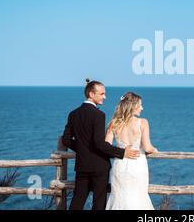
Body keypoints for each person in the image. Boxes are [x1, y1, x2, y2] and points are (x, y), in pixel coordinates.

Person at [61, 79, 140, 210]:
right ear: (91, 94)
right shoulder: (98, 115)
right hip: (99, 166)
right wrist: (122, 152)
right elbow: (99, 144)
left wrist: (82, 148)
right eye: (102, 94)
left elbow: (66, 140)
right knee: (98, 203)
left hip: (82, 166)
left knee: (77, 201)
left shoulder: (73, 114)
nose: (105, 97)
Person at [105, 92, 158, 210]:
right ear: (132, 106)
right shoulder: (143, 122)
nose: (142, 108)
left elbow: (106, 146)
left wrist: (121, 150)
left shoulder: (114, 122)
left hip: (120, 164)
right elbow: (147, 147)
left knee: (119, 197)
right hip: (137, 164)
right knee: (138, 197)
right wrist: (155, 150)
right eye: (140, 105)